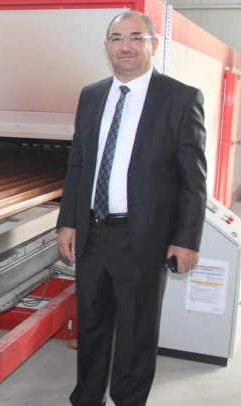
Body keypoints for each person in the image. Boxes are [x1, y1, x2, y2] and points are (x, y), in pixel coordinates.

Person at [56, 10, 207, 406]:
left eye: (136, 37)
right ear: (106, 47)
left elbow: (193, 180)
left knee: (137, 331)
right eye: (117, 38)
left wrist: (186, 240)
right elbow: (78, 162)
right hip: (92, 232)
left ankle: (128, 400)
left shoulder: (180, 98)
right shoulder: (91, 96)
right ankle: (87, 398)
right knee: (91, 325)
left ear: (152, 44)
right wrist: (68, 221)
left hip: (144, 237)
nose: (125, 46)